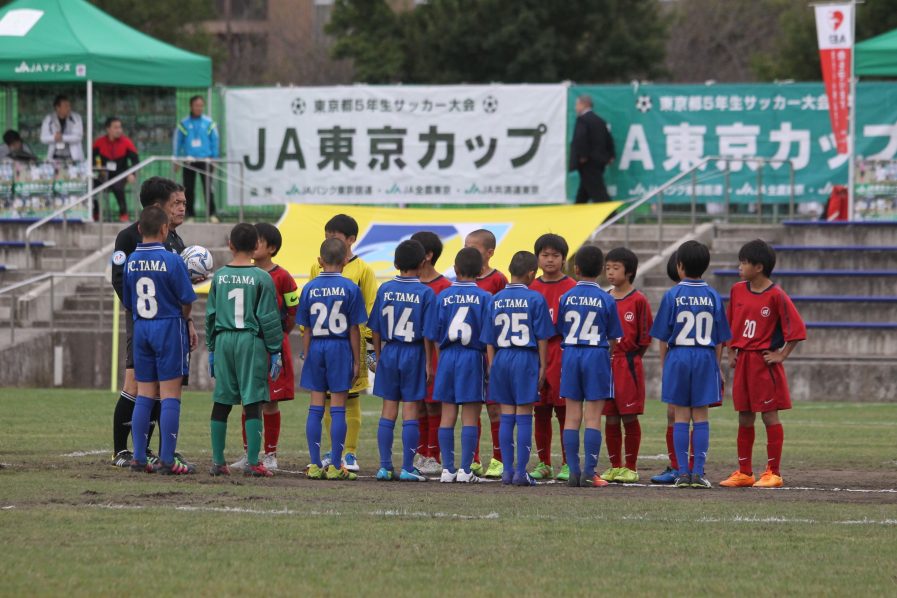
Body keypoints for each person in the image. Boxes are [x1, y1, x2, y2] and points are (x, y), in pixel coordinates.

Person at [110, 177, 195, 468]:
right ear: (158, 209)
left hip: (159, 321)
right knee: (137, 385)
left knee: (151, 389)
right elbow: (119, 280)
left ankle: (146, 452)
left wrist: (189, 323)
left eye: (184, 203)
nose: (183, 208)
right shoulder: (129, 238)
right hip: (155, 321)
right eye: (177, 203)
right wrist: (145, 312)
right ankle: (124, 450)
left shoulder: (174, 240)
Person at [721, 240, 806, 488]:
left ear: (758, 267)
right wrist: (730, 352)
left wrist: (781, 355)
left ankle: (773, 472)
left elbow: (798, 330)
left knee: (769, 415)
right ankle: (745, 472)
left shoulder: (777, 295)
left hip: (763, 363)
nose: (740, 266)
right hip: (743, 360)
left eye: (744, 262)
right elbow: (730, 323)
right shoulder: (737, 290)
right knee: (744, 417)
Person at [650, 241, 731, 489]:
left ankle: (682, 473)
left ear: (680, 265)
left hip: (679, 356)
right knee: (702, 417)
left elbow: (663, 336)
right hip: (705, 357)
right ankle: (698, 473)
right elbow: (720, 339)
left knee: (681, 416)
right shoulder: (713, 296)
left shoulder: (672, 294)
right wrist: (717, 366)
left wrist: (666, 365)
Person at [207, 223, 284, 477]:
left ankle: (218, 462)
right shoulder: (262, 278)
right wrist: (275, 350)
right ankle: (253, 462)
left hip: (224, 340)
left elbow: (211, 315)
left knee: (221, 399)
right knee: (253, 399)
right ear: (254, 247)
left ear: (230, 245)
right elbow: (268, 317)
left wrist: (211, 348)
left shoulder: (218, 276)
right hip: (250, 342)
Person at [229, 223, 299, 472]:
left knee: (270, 401)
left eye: (258, 241)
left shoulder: (283, 277)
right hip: (248, 346)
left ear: (272, 248)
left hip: (273, 347)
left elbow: (293, 309)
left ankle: (270, 455)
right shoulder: (243, 274)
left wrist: (280, 335)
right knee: (249, 399)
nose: (253, 245)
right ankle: (249, 453)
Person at [312, 214, 377, 473]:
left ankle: (349, 452)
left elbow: (371, 307)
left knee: (349, 398)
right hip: (323, 343)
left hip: (353, 343)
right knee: (327, 399)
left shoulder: (363, 270)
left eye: (336, 237)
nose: (331, 242)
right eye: (328, 236)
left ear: (351, 240)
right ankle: (333, 449)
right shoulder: (317, 266)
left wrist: (371, 347)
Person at [299, 238, 368, 481]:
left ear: (320, 261)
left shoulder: (309, 288)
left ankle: (316, 464)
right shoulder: (351, 288)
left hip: (316, 346)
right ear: (345, 261)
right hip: (340, 348)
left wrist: (307, 355)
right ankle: (337, 466)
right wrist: (357, 361)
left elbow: (306, 328)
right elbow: (354, 329)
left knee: (316, 408)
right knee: (339, 407)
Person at [484, 251, 554, 487]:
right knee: (524, 416)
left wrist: (493, 364)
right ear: (532, 273)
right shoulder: (535, 299)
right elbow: (543, 337)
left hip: (502, 357)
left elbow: (489, 339)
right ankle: (520, 473)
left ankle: (506, 471)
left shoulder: (495, 299)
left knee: (506, 415)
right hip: (525, 357)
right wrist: (543, 365)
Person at [369, 240, 437, 482]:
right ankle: (408, 466)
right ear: (422, 263)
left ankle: (385, 467)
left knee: (388, 410)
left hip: (390, 351)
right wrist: (429, 363)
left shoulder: (385, 289)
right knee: (410, 411)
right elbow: (429, 334)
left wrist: (378, 355)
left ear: (395, 263)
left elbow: (375, 328)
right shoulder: (426, 292)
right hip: (414, 353)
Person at [425, 248, 492, 483]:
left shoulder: (442, 296)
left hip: (447, 356)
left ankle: (447, 470)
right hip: (472, 356)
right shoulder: (485, 298)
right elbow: (488, 337)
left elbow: (433, 334)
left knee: (447, 414)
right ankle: (465, 470)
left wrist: (437, 359)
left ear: (455, 269)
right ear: (481, 271)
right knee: (470, 416)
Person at [557, 245, 623, 488]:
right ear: (601, 271)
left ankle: (573, 472)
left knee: (572, 417)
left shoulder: (565, 297)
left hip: (572, 353)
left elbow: (561, 329)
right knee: (593, 418)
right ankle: (589, 472)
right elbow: (614, 337)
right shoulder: (607, 299)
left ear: (575, 268)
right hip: (596, 354)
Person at [600, 247, 653, 484]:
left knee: (629, 417)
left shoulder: (639, 300)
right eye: (608, 268)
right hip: (605, 364)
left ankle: (630, 467)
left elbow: (644, 338)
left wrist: (631, 358)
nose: (610, 272)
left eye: (616, 268)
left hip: (628, 364)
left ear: (629, 272)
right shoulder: (604, 298)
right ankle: (614, 466)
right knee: (610, 418)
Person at [528, 233, 576, 482]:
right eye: (545, 255)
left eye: (555, 255)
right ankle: (544, 462)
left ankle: (568, 463)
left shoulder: (572, 288)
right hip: (535, 354)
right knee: (540, 410)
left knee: (564, 409)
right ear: (537, 258)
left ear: (564, 259)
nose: (549, 260)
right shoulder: (531, 287)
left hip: (561, 353)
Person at [464, 229, 509, 478]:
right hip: (469, 354)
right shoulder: (460, 279)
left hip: (491, 353)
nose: (468, 250)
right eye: (465, 245)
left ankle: (499, 459)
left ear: (490, 252)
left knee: (494, 408)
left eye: (474, 246)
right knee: (471, 406)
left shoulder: (498, 280)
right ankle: (473, 458)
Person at [409, 231, 452, 475]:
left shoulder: (444, 286)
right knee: (417, 405)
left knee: (434, 405)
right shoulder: (408, 284)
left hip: (434, 353)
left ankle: (433, 455)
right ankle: (420, 451)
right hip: (411, 352)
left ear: (428, 255)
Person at [174, 95, 220, 222]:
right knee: (188, 188)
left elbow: (215, 141)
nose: (199, 108)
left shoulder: (209, 123)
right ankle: (190, 215)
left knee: (208, 188)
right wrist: (176, 159)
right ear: (191, 106)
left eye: (201, 105)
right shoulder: (184, 123)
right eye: (196, 105)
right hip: (189, 161)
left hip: (205, 160)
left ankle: (212, 214)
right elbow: (178, 142)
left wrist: (214, 158)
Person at [92, 117, 140, 222]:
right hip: (104, 176)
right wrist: (98, 168)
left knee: (117, 186)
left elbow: (136, 161)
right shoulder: (99, 142)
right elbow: (91, 160)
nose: (119, 130)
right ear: (108, 129)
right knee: (90, 186)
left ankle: (123, 213)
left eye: (120, 127)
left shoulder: (126, 142)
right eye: (116, 127)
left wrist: (132, 174)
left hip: (121, 175)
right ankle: (95, 212)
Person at [569, 94, 615, 204]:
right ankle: (576, 215)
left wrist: (582, 156)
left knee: (599, 193)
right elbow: (609, 139)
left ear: (583, 104)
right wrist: (611, 155)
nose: (575, 107)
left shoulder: (583, 120)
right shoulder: (600, 121)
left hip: (588, 162)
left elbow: (581, 138)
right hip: (599, 161)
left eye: (577, 104)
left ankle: (612, 217)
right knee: (584, 192)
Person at [40, 95, 84, 162]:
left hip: (72, 157)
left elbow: (78, 137)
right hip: (55, 157)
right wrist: (54, 137)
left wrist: (62, 137)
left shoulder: (76, 118)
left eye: (69, 106)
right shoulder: (49, 119)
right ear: (58, 108)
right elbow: (43, 138)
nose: (69, 108)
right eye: (66, 106)